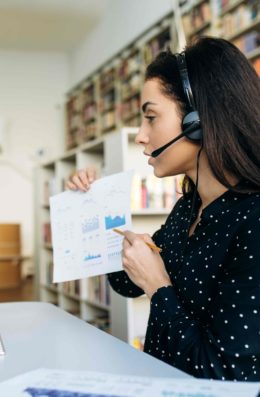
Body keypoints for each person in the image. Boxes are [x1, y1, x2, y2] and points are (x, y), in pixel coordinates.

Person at [67, 37, 260, 381]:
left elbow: (225, 376)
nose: (141, 135)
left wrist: (158, 284)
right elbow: (126, 283)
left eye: (151, 118)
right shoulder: (189, 207)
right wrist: (93, 205)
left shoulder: (253, 221)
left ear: (197, 122)